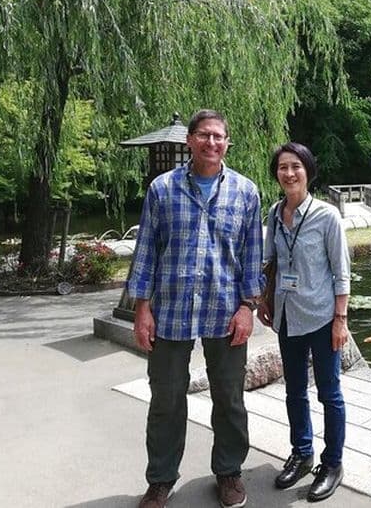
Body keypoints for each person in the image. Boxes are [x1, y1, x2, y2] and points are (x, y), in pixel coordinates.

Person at [127, 109, 262, 508]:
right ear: (189, 140)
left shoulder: (245, 191)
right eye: (204, 135)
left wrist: (247, 306)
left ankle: (229, 471)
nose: (212, 143)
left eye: (219, 136)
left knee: (230, 397)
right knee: (166, 399)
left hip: (225, 309)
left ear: (227, 143)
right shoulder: (162, 189)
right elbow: (147, 250)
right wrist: (142, 308)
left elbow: (251, 255)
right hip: (171, 308)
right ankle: (161, 479)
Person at [257, 142, 350, 502]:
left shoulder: (327, 216)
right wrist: (266, 300)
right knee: (294, 391)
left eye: (296, 166)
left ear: (308, 171)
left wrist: (340, 320)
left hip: (323, 317)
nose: (289, 173)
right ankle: (302, 451)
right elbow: (270, 261)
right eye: (283, 167)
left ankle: (332, 463)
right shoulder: (273, 214)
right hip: (287, 317)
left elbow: (341, 274)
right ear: (277, 174)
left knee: (330, 393)